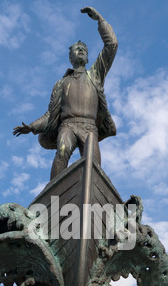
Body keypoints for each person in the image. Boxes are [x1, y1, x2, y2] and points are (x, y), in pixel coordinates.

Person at [13, 7, 118, 180]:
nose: (81, 50)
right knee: (61, 153)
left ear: (88, 57)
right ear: (70, 57)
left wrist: (100, 20)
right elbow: (50, 114)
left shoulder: (95, 75)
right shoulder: (61, 83)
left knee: (93, 163)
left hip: (89, 126)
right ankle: (54, 194)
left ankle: (91, 194)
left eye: (83, 49)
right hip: (67, 126)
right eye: (77, 49)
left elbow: (112, 45)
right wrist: (32, 127)